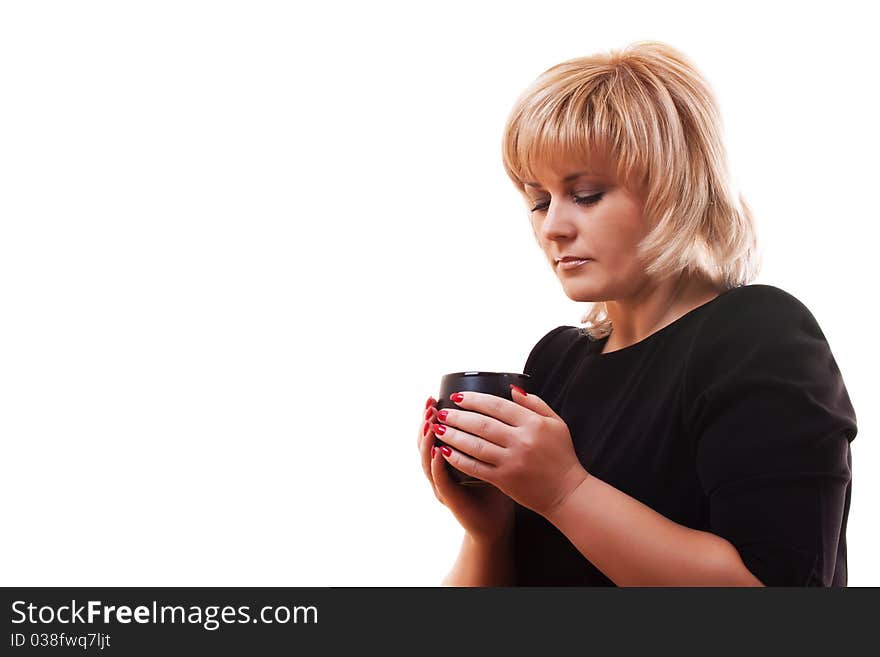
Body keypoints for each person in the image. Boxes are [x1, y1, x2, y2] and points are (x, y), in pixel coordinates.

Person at [415, 40, 858, 586]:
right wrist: (490, 533)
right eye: (539, 200)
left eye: (586, 194)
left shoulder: (758, 335)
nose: (553, 226)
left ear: (675, 191)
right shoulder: (556, 363)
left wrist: (564, 491)